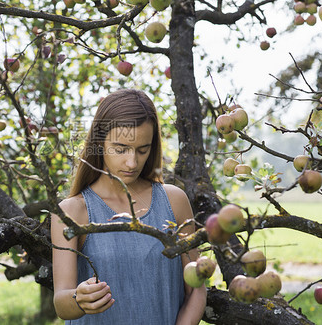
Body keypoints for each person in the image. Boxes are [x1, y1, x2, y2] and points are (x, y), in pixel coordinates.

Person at [51, 88, 206, 324]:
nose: (132, 162)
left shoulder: (174, 201)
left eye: (142, 150)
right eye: (121, 149)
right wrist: (77, 299)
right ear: (99, 143)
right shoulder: (72, 211)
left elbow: (195, 288)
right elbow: (61, 303)